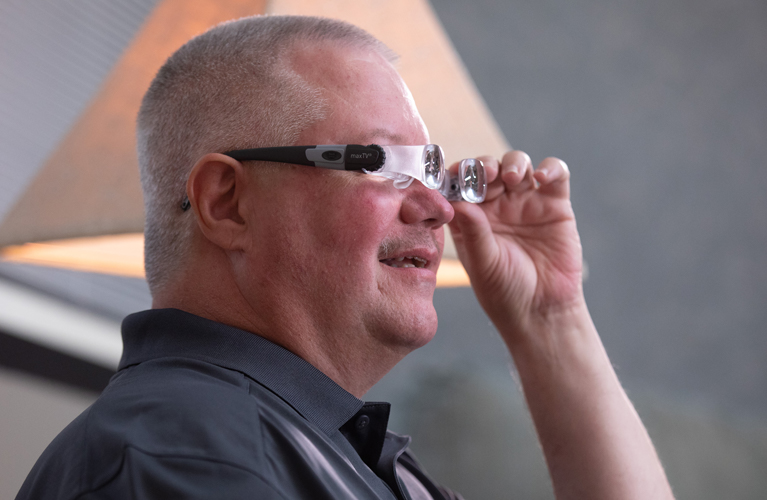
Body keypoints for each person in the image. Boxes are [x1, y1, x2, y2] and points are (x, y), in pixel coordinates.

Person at [17, 15, 675, 500]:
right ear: (227, 203)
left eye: (435, 172)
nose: (439, 209)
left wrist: (548, 315)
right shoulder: (189, 454)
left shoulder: (322, 449)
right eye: (382, 164)